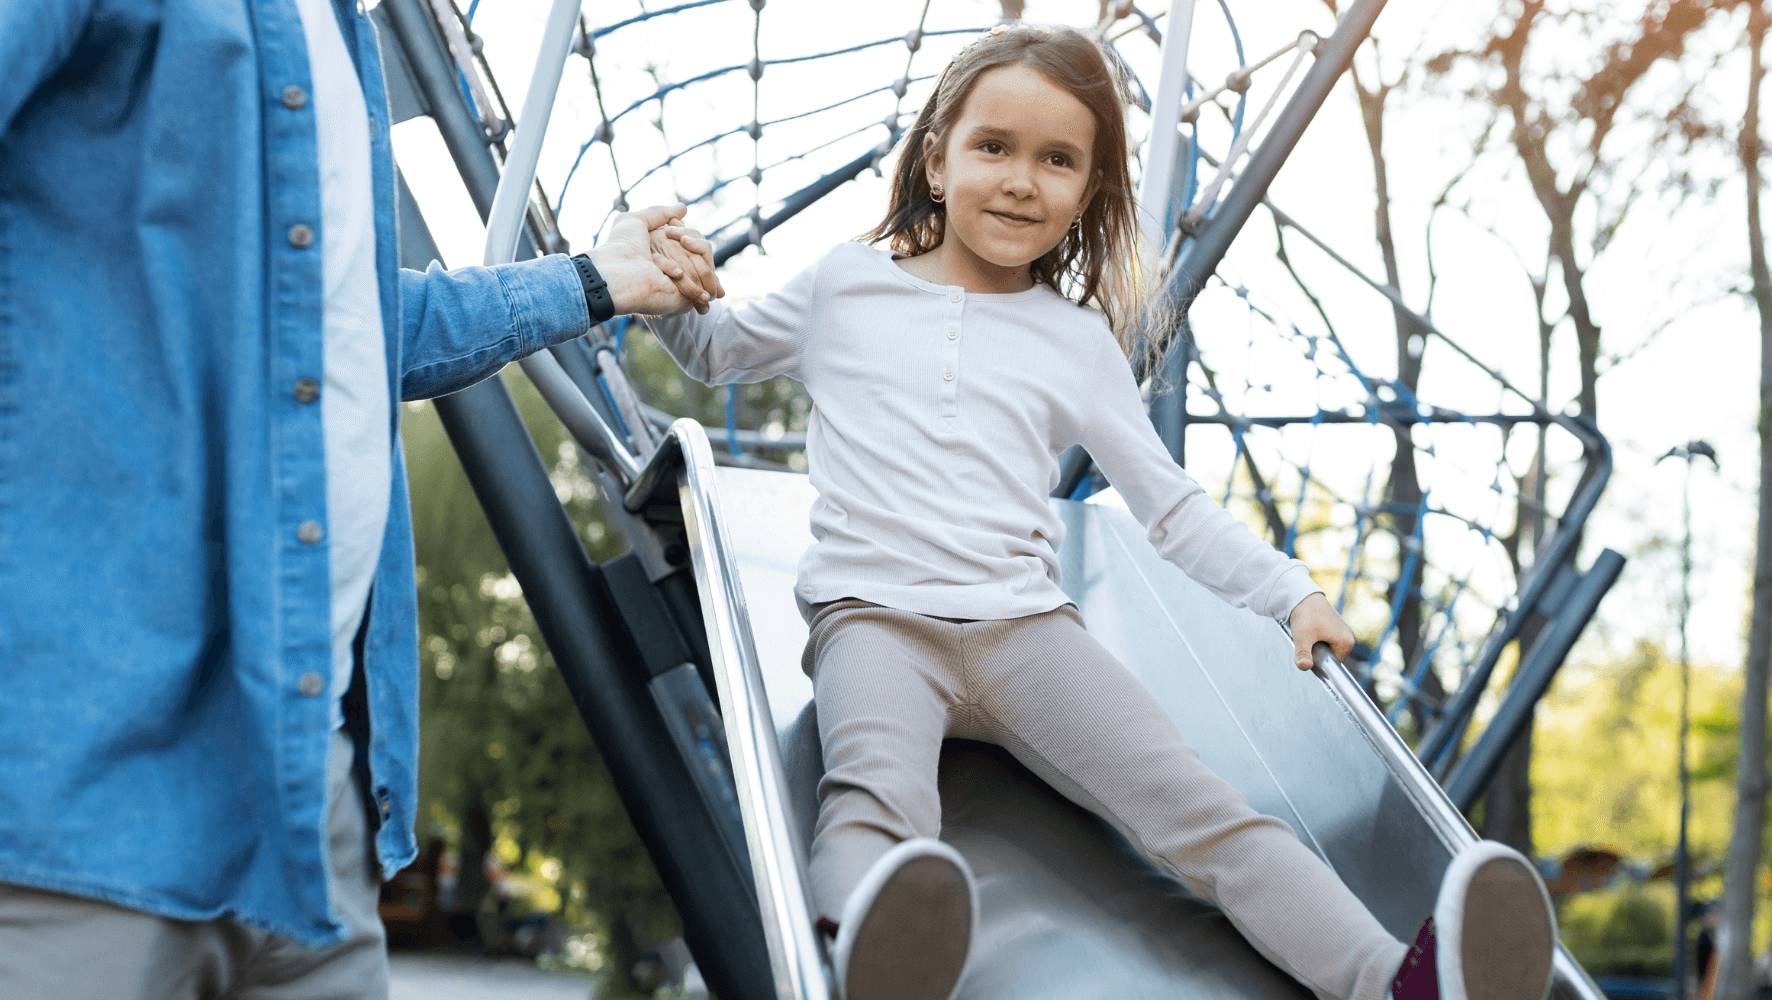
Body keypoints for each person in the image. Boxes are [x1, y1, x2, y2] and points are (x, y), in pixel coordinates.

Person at [637, 22, 1558, 1000]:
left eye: (1057, 160)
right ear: (937, 157)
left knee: (1204, 809)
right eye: (993, 146)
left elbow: (1168, 506)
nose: (1021, 179)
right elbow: (713, 349)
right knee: (871, 798)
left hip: (1025, 632)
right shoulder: (843, 285)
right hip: (875, 618)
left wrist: (1291, 592)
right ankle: (869, 953)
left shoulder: (1073, 340)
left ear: (1085, 191)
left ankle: (1390, 981)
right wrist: (656, 283)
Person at [0, 1, 718, 996]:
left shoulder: (334, 33)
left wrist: (595, 279)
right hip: (84, 780)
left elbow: (361, 323)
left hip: (306, 790)